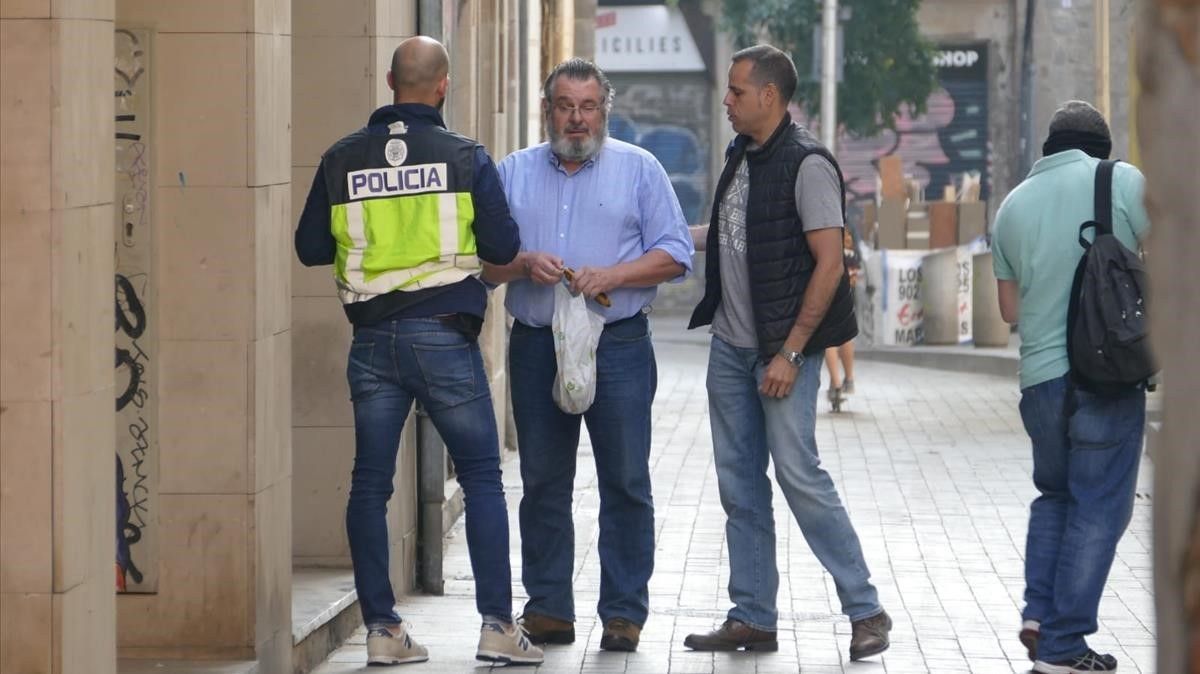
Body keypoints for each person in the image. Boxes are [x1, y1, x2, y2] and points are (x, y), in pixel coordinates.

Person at [294, 36, 542, 667]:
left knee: (369, 485)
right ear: (444, 85)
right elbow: (503, 243)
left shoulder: (341, 157)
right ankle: (496, 628)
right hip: (444, 336)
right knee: (484, 479)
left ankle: (382, 630)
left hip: (372, 341)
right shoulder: (465, 157)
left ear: (388, 80)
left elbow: (310, 249)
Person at [682, 44, 891, 661]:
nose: (727, 100)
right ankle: (752, 616)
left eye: (736, 91)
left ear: (769, 96)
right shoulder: (739, 156)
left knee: (799, 475)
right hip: (730, 346)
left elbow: (830, 266)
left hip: (783, 352)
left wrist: (793, 354)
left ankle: (866, 609)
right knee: (739, 485)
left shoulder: (808, 165)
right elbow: (725, 237)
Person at [481, 58, 694, 653]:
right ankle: (549, 608)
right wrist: (524, 263)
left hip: (618, 344)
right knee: (543, 481)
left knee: (625, 481)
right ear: (547, 109)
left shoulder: (641, 169)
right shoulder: (511, 173)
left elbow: (677, 253)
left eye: (588, 106)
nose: (577, 118)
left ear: (606, 108)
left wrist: (616, 273)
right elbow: (482, 263)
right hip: (535, 345)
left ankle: (623, 613)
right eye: (565, 106)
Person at [992, 100, 1150, 674]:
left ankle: (1038, 616)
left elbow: (1009, 310)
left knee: (1055, 496)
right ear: (1099, 149)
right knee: (1100, 508)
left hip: (1039, 382)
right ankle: (1062, 645)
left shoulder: (1011, 206)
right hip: (1105, 374)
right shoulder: (1122, 181)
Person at [824, 228, 860, 406]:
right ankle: (849, 378)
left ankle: (836, 383)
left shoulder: (827, 250)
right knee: (845, 337)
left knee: (829, 342)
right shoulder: (851, 254)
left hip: (826, 299)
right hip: (846, 301)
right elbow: (854, 280)